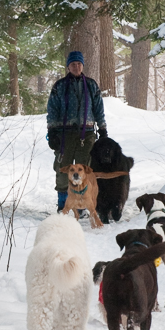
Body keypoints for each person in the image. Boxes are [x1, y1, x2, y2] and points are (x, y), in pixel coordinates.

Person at [46, 50, 108, 212]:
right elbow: (52, 109)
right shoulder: (59, 86)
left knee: (83, 170)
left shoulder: (92, 85)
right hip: (63, 135)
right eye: (73, 64)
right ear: (68, 66)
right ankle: (63, 203)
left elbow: (99, 109)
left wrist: (102, 129)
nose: (76, 66)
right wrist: (52, 131)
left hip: (86, 134)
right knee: (63, 168)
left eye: (79, 64)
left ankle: (80, 205)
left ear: (83, 65)